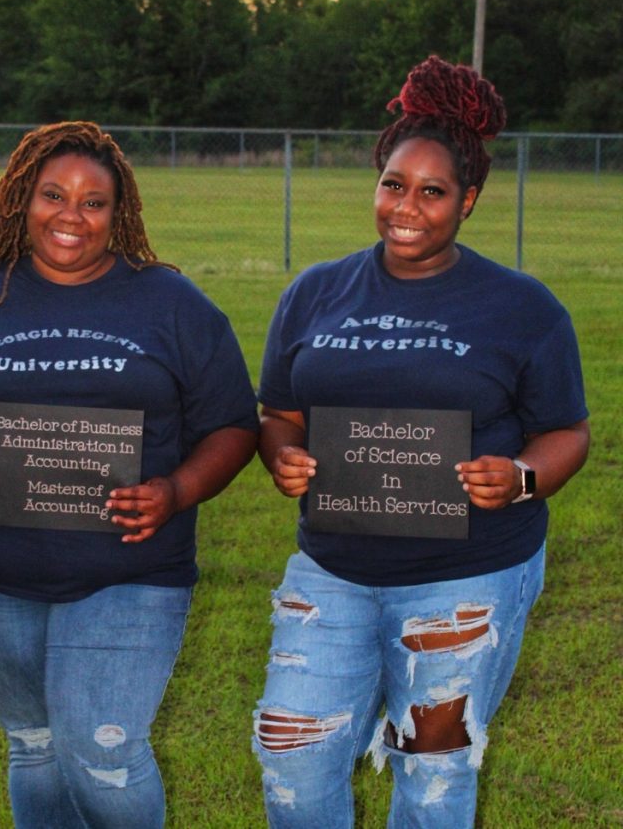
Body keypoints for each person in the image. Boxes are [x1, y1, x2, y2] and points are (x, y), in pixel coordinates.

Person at [0, 120, 258, 828]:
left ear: (119, 214)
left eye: (94, 202)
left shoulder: (172, 306)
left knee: (102, 753)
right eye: (54, 195)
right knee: (34, 747)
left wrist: (176, 490)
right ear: (22, 201)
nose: (72, 216)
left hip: (130, 571)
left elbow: (234, 426)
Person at [252, 56, 589, 827]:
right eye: (393, 185)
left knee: (433, 777)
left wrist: (522, 477)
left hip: (467, 573)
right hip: (333, 567)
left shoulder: (522, 307)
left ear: (467, 200)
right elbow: (279, 413)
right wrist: (282, 455)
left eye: (432, 192)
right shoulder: (315, 291)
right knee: (291, 751)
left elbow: (567, 432)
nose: (407, 207)